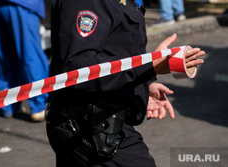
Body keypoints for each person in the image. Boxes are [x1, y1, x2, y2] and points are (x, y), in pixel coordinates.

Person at [45, 0, 205, 166]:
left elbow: (117, 50)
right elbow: (79, 68)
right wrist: (149, 67)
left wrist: (144, 84)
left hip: (99, 121)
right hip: (88, 125)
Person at [0, 0, 49, 121]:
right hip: (22, 3)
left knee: (3, 58)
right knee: (30, 55)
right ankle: (39, 106)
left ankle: (9, 105)